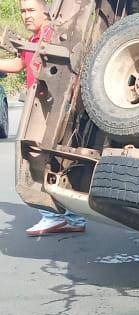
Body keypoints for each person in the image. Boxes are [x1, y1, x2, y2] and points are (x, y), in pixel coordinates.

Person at [0, 0, 86, 237]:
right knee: (51, 158)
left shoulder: (53, 34)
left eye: (30, 11)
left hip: (48, 104)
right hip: (37, 103)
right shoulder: (36, 38)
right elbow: (19, 65)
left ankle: (53, 216)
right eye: (23, 12)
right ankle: (72, 216)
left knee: (34, 154)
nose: (26, 16)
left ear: (45, 11)